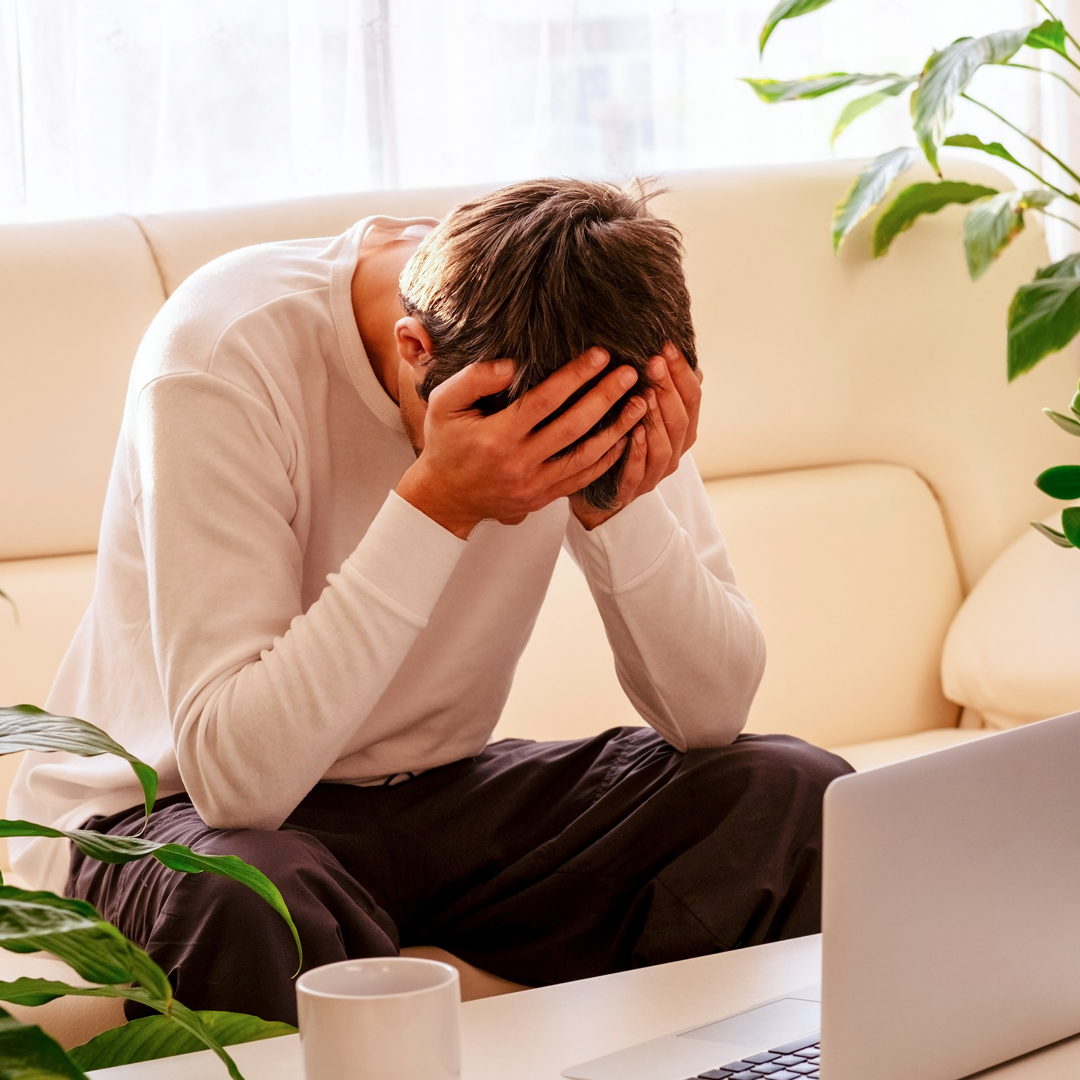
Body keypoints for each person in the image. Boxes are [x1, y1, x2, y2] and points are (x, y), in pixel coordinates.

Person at [8, 179, 851, 1025]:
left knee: (793, 795)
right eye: (536, 448)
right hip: (174, 811)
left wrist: (614, 500)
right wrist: (438, 504)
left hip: (432, 796)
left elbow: (709, 714)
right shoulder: (223, 352)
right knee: (250, 903)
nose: (545, 475)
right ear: (417, 351)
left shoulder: (590, 343)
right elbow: (237, 783)